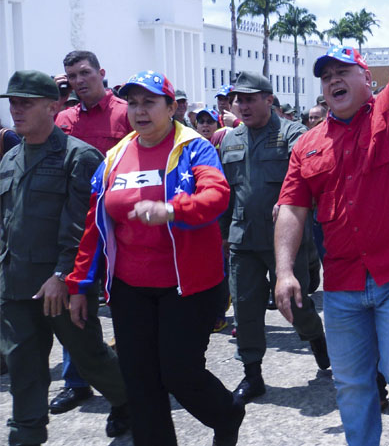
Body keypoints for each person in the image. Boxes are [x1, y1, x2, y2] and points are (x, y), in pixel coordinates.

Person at [274, 0, 389, 446]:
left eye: (344, 71)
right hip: (343, 283)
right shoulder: (306, 144)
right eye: (326, 77)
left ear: (368, 79)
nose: (333, 81)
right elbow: (291, 209)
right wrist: (284, 270)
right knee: (350, 383)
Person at [65, 70, 244, 446]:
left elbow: (217, 195)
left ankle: (226, 414)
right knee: (140, 379)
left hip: (187, 285)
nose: (139, 110)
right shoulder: (115, 156)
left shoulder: (194, 146)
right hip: (131, 287)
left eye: (149, 102)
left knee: (179, 373)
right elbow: (95, 225)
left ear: (170, 107)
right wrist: (79, 285)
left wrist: (174, 209)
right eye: (132, 102)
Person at [0, 70, 130, 445]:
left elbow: (82, 228)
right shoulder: (9, 160)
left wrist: (62, 275)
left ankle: (127, 399)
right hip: (16, 284)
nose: (17, 110)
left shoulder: (78, 157)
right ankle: (26, 434)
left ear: (53, 106)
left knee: (89, 357)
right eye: (13, 102)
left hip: (62, 285)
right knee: (24, 368)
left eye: (26, 102)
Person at [219, 71, 329, 405]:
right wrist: (223, 236)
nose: (243, 105)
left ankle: (318, 342)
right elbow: (226, 192)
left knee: (295, 305)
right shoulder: (230, 140)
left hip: (287, 240)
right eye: (239, 99)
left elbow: (307, 178)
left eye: (250, 98)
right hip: (243, 239)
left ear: (269, 99)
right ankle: (253, 376)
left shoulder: (292, 134)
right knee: (246, 309)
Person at [52, 50, 132, 415]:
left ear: (101, 72)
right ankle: (77, 382)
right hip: (77, 226)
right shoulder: (64, 118)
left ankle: (127, 387)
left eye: (84, 73)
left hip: (119, 223)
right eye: (71, 76)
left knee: (124, 305)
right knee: (75, 301)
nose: (78, 81)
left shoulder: (125, 112)